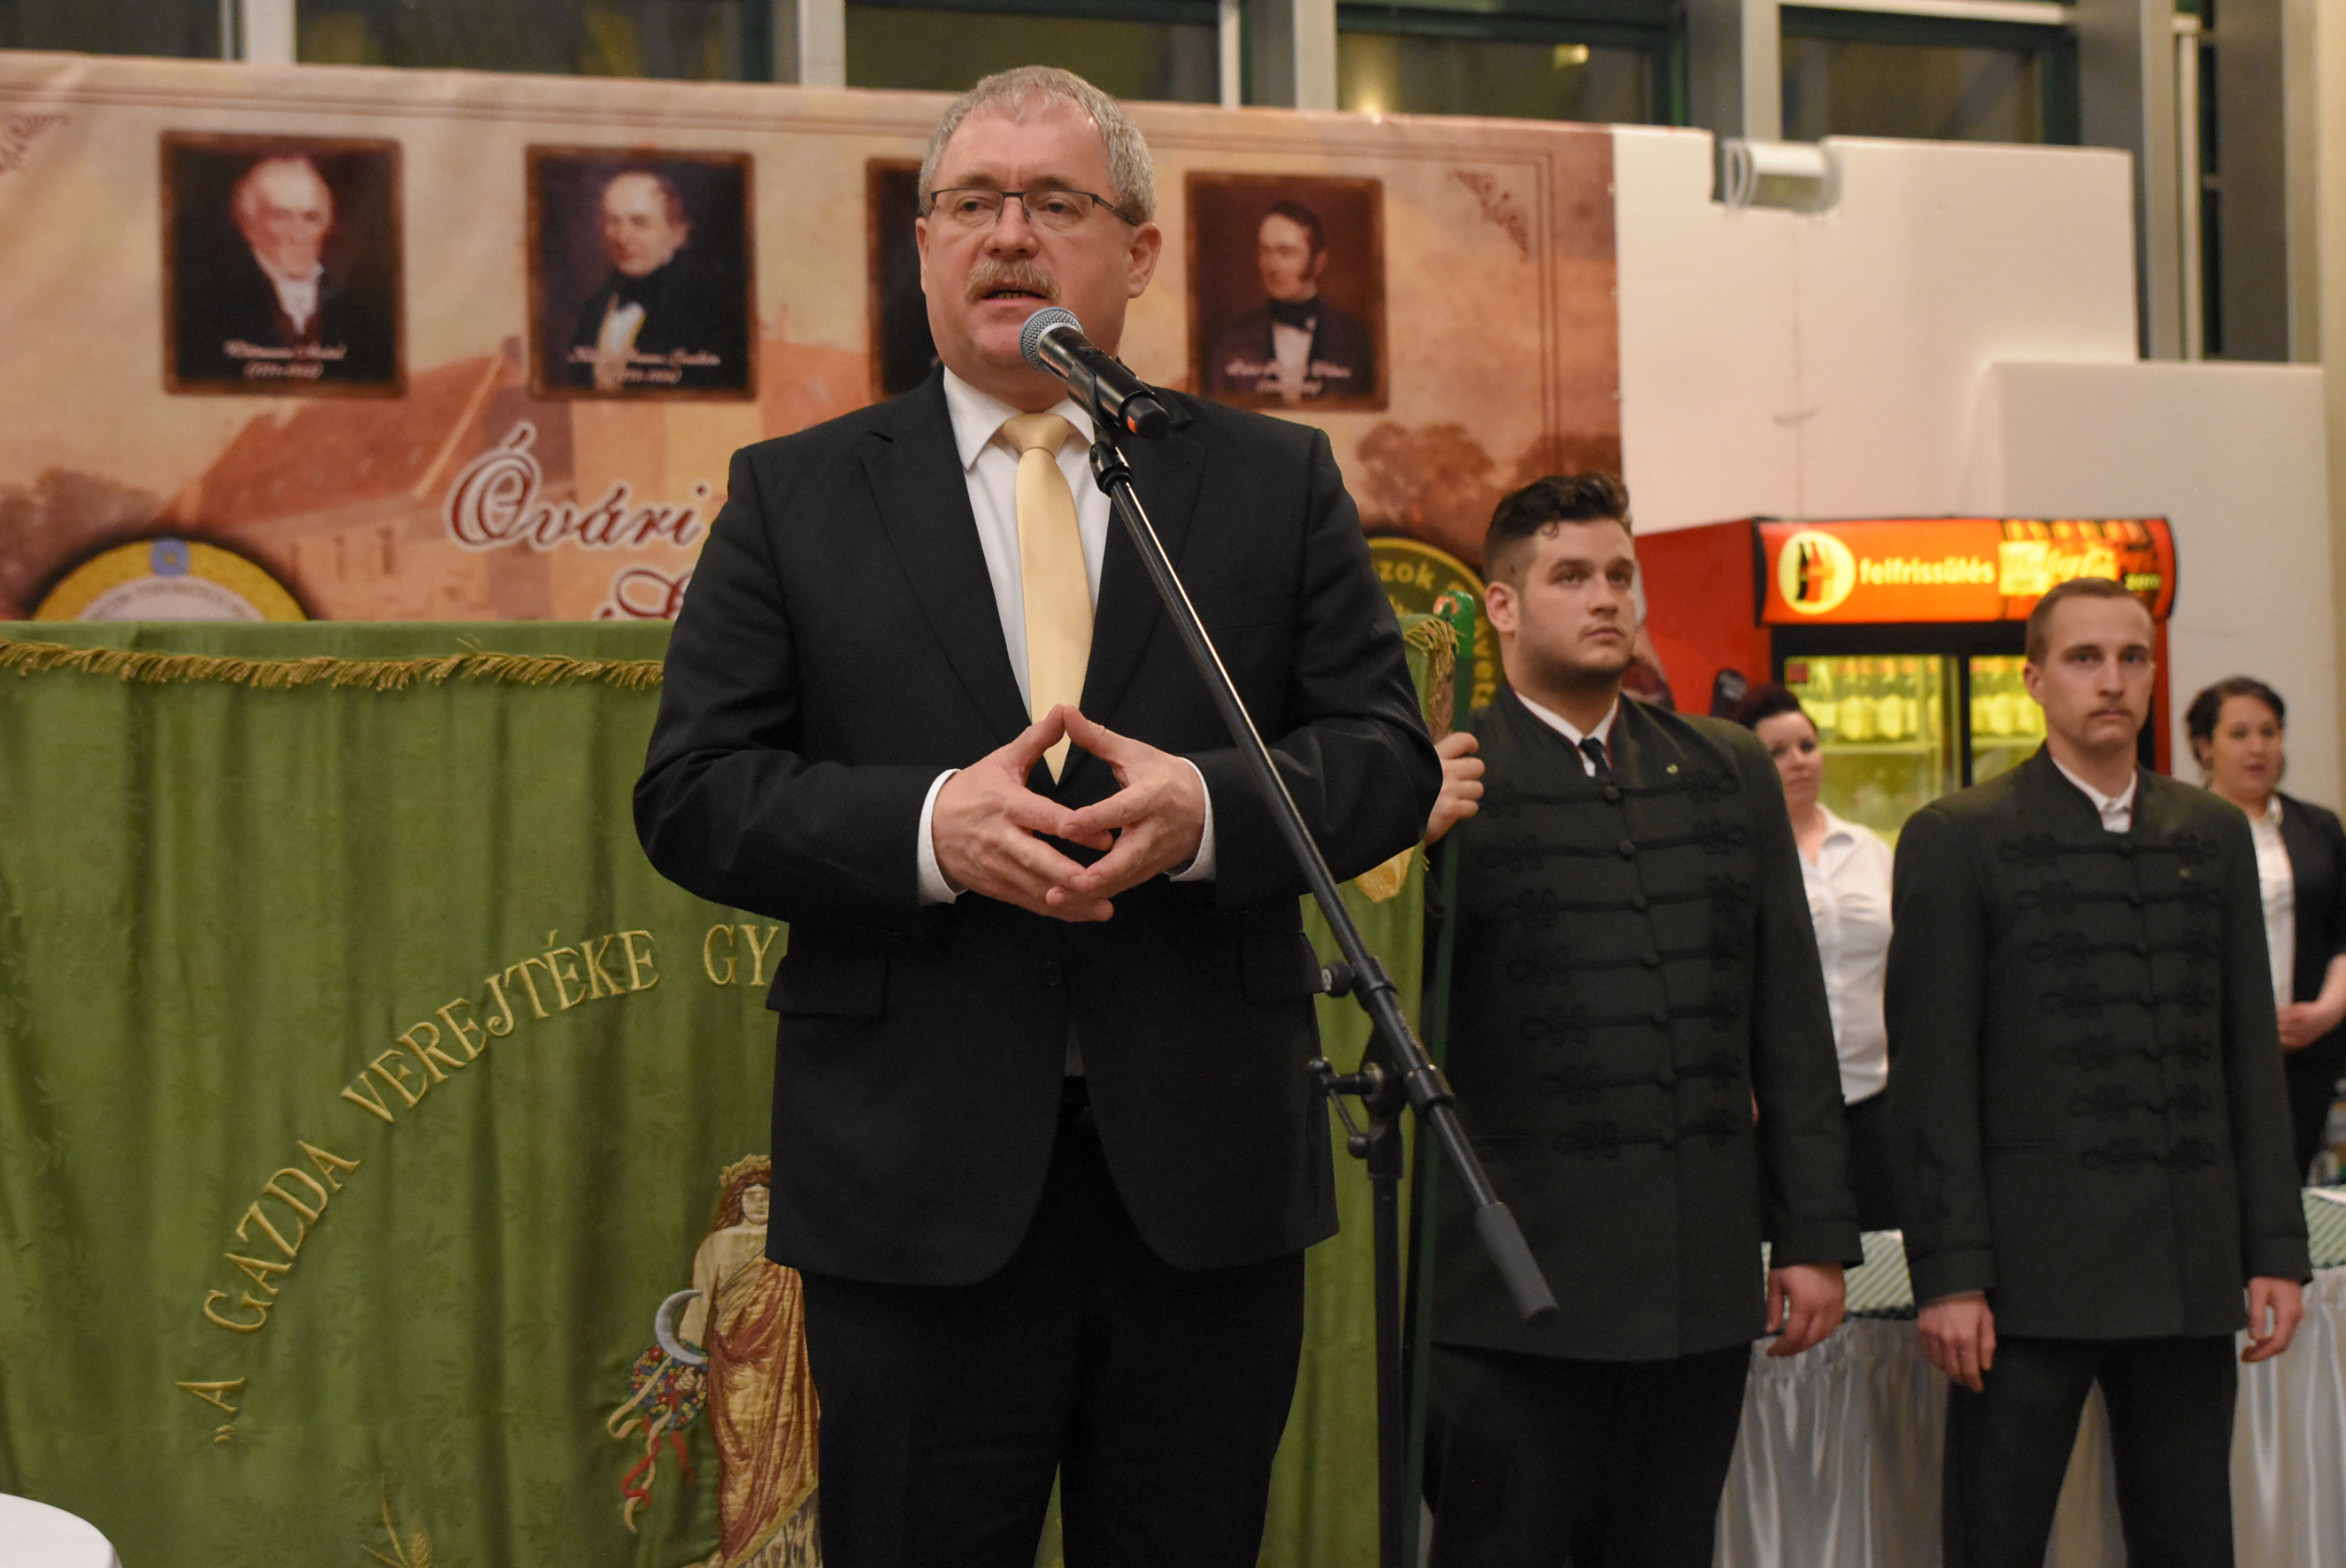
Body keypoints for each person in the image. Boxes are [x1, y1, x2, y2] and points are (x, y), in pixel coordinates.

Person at [633, 65, 1439, 1568]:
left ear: (1137, 251)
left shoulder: (1267, 482)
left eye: (1054, 202)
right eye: (970, 204)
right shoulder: (794, 497)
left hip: (1202, 1183)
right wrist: (926, 828)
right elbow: (692, 792)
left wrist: (1210, 807)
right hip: (910, 1190)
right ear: (922, 246)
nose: (1007, 235)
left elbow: (1385, 758)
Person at [1418, 473, 1858, 1568]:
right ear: (1501, 604)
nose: (1606, 596)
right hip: (1503, 1292)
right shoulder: (1443, 773)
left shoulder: (1726, 766)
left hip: (1695, 1280)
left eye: (1619, 574)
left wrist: (1811, 1236)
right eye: (1570, 575)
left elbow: (1786, 1015)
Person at [1888, 577, 2310, 1567]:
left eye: (2130, 658)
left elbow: (2246, 1054)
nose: (2110, 680)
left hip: (2186, 1262)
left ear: (2153, 676)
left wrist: (2273, 1248)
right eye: (2083, 658)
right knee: (1995, 1539)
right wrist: (1949, 1275)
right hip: (2024, 1276)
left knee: (2189, 1540)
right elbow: (1931, 1077)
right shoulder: (1959, 835)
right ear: (2034, 679)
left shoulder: (2210, 832)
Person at [1733, 682, 1898, 1230]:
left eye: (1807, 746)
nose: (1799, 761)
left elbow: (1905, 970)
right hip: (1779, 1110)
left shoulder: (1869, 849)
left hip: (1875, 1098)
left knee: (1882, 1256)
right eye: (1778, 752)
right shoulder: (1740, 857)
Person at [2188, 675, 2346, 1178]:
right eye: (2239, 734)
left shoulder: (2317, 827)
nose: (2257, 748)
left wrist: (2323, 1013)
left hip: (2306, 1051)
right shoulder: (2178, 831)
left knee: (2291, 1182)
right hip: (2211, 1054)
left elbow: (2343, 935)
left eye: (2269, 732)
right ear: (2204, 747)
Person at [180, 152, 390, 385]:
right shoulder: (212, 312)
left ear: (327, 226)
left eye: (311, 218)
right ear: (250, 226)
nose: (298, 235)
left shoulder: (360, 317)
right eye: (281, 217)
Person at [565, 168, 742, 393]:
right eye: (613, 221)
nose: (622, 237)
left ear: (678, 232)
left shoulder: (709, 312)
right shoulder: (593, 308)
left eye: (640, 223)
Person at [1204, 199, 1375, 405]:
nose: (1272, 266)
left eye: (1286, 253)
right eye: (1265, 251)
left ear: (1318, 262)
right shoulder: (1229, 345)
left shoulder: (1357, 344)